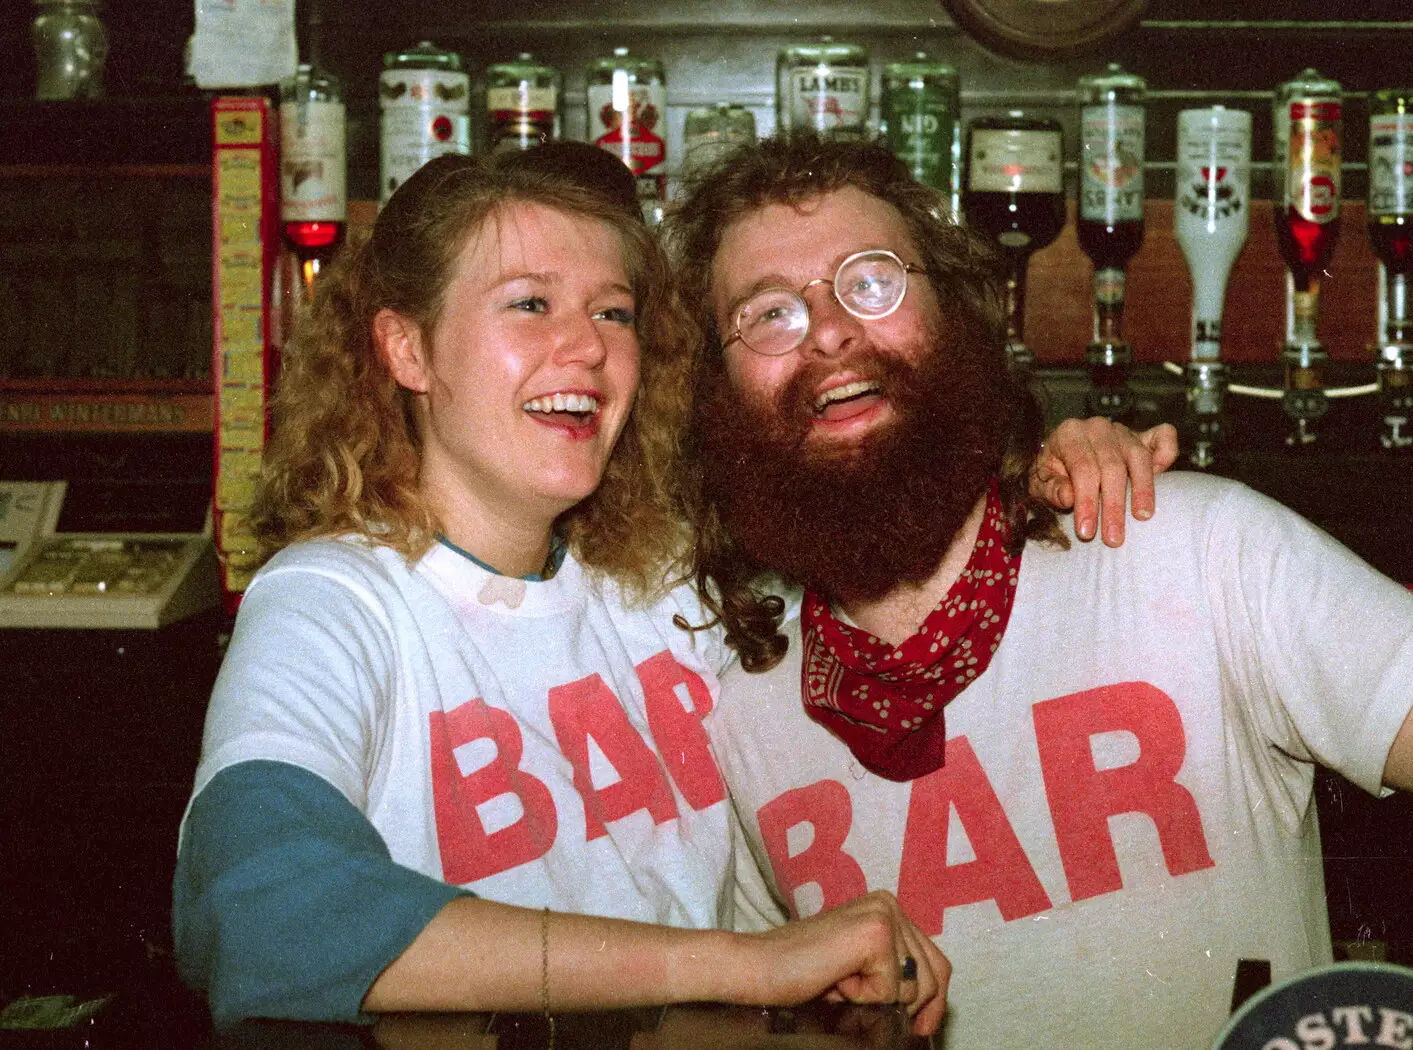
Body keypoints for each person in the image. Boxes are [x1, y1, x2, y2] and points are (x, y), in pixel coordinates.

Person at [171, 142, 1169, 1034]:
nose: (588, 345)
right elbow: (254, 914)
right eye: (530, 302)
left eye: (613, 310)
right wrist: (741, 968)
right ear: (406, 348)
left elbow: (899, 566)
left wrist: (1048, 473)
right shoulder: (335, 603)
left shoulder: (661, 589)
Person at [664, 133, 1413, 1049]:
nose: (830, 329)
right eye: (770, 313)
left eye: (873, 281)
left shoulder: (1190, 548)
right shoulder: (739, 702)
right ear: (717, 388)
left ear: (952, 310)